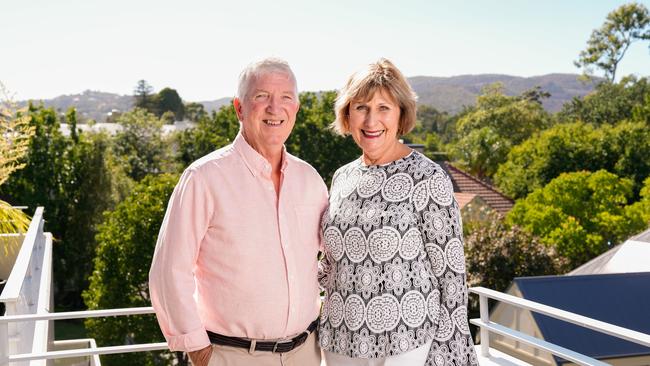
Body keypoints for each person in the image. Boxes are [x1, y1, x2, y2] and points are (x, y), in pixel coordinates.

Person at [149, 58, 328, 366]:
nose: (275, 108)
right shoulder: (203, 178)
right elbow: (168, 273)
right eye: (262, 97)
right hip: (233, 357)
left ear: (296, 109)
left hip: (307, 355)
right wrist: (201, 353)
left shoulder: (310, 180)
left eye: (285, 98)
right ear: (239, 108)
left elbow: (335, 257)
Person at [318, 58, 478, 366]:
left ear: (401, 114)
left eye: (383, 108)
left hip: (406, 342)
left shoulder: (427, 177)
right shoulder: (342, 177)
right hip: (338, 339)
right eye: (361, 107)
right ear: (347, 115)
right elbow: (333, 261)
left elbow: (452, 278)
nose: (371, 120)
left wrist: (449, 353)